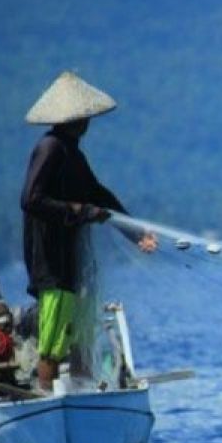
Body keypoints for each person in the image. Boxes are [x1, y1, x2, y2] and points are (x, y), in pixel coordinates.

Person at [20, 70, 157, 392]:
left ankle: (82, 392)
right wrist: (79, 211)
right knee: (52, 342)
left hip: (72, 260)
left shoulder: (73, 153)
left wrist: (136, 233)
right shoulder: (50, 148)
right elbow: (30, 200)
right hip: (50, 262)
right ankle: (47, 395)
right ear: (72, 119)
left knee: (80, 333)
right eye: (85, 117)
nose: (88, 123)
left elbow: (98, 195)